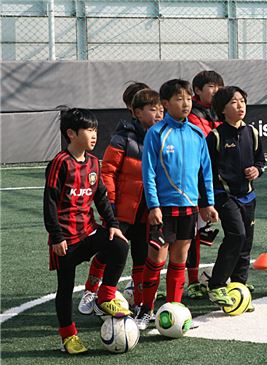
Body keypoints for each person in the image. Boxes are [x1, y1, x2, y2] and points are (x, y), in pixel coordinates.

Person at [43, 108, 131, 354]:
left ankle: (105, 297)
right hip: (66, 239)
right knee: (65, 287)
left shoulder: (93, 162)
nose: (94, 135)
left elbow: (101, 196)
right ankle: (68, 336)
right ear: (71, 133)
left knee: (119, 245)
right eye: (89, 130)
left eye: (95, 130)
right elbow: (49, 202)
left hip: (89, 231)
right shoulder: (60, 163)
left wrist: (112, 223)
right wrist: (57, 237)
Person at [137, 79, 218, 330]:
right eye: (179, 99)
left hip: (189, 209)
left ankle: (174, 311)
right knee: (156, 259)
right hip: (163, 208)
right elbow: (148, 173)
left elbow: (205, 172)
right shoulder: (157, 133)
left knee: (179, 260)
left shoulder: (196, 133)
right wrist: (154, 206)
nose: (185, 103)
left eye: (188, 99)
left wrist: (209, 204)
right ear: (165, 103)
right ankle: (145, 310)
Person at [77, 90, 164, 316]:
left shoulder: (163, 138)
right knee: (109, 252)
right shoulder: (123, 137)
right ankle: (90, 291)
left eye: (161, 110)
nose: (158, 114)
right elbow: (107, 173)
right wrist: (112, 206)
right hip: (121, 211)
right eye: (152, 109)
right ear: (137, 112)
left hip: (148, 211)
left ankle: (138, 300)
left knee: (141, 256)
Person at [206, 86, 265, 308]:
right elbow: (207, 171)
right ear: (222, 109)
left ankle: (239, 286)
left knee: (246, 241)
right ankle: (217, 284)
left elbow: (260, 160)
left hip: (248, 196)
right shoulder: (216, 136)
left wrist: (257, 170)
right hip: (225, 196)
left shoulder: (252, 132)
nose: (240, 106)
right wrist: (208, 201)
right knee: (236, 235)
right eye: (234, 102)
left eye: (242, 101)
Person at [185, 70, 225, 299]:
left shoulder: (222, 111)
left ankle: (226, 277)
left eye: (219, 86)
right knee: (191, 236)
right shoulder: (193, 116)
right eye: (211, 86)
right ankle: (192, 281)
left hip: (222, 183)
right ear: (197, 91)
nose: (216, 90)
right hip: (198, 184)